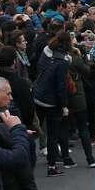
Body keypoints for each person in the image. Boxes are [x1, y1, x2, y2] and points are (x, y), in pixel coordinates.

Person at [32, 31, 72, 177]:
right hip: (52, 101)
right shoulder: (62, 62)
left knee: (35, 128)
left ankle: (28, 158)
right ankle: (52, 165)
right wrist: (64, 105)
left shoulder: (45, 53)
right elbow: (61, 86)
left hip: (39, 94)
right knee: (53, 134)